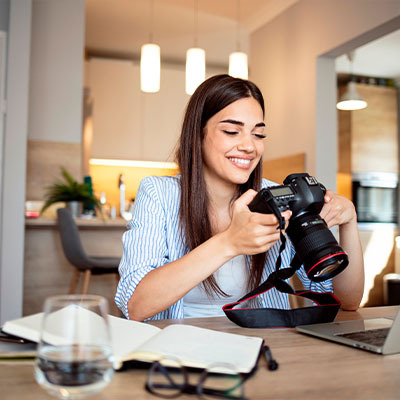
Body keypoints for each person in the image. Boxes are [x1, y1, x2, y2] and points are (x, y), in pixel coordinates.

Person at [115, 74, 364, 321]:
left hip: (262, 346)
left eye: (258, 134)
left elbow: (348, 301)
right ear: (198, 135)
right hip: (180, 348)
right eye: (232, 131)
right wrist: (229, 242)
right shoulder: (159, 194)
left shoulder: (279, 198)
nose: (249, 146)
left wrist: (349, 221)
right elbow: (135, 305)